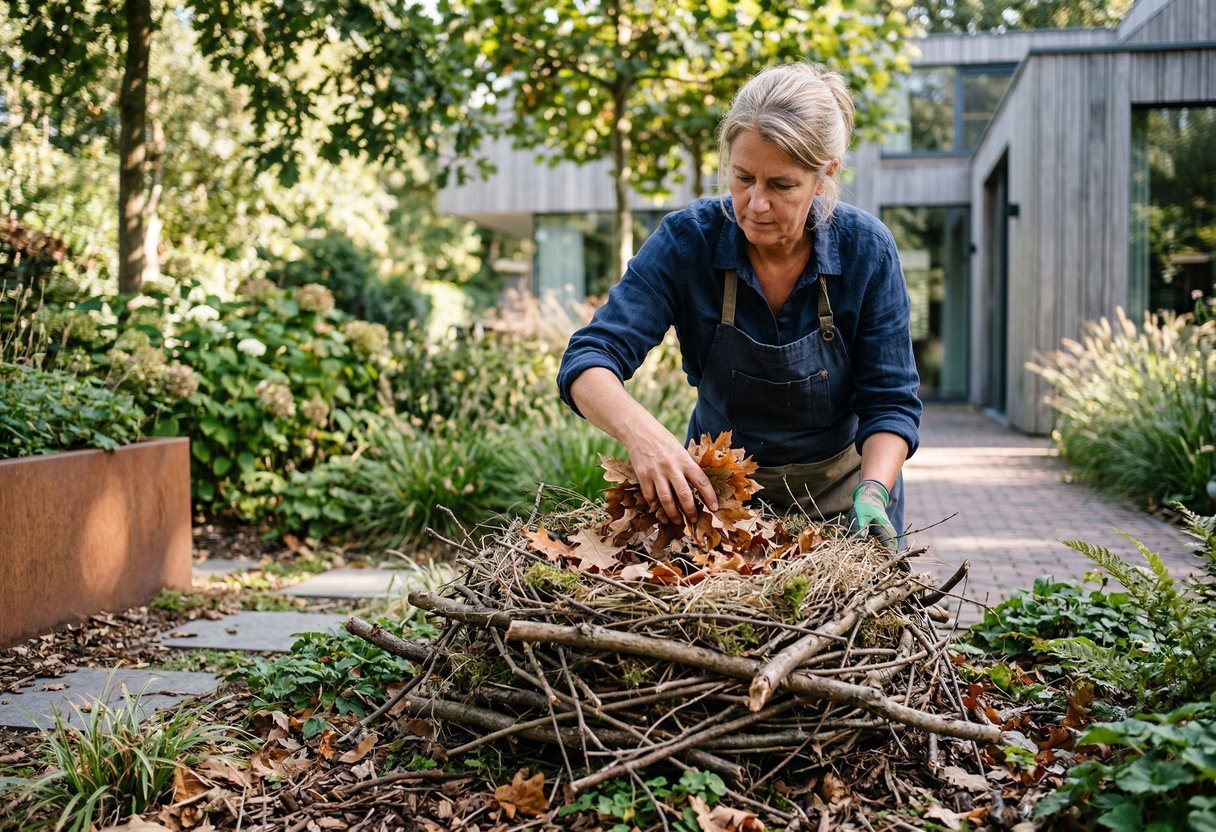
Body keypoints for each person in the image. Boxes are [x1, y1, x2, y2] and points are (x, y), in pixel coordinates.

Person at [557, 62, 922, 550]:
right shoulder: (688, 241)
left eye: (781, 185)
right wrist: (645, 437)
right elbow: (589, 358)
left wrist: (874, 491)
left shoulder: (867, 250)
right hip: (716, 507)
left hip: (844, 506)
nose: (755, 204)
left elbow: (890, 402)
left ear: (825, 174)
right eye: (743, 177)